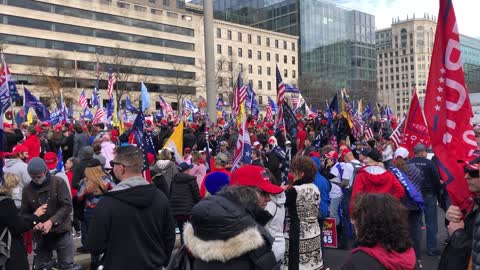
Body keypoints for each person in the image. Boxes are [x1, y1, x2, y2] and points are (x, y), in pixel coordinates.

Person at [86, 145, 176, 270]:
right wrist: (160, 261)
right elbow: (169, 237)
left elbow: (94, 245)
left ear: (121, 168)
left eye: (113, 163)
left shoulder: (107, 203)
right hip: (154, 265)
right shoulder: (160, 198)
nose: (112, 167)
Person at [183, 185, 279, 270]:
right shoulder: (253, 234)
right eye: (263, 193)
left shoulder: (199, 226)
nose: (268, 198)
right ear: (247, 191)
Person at [21, 158, 74, 270]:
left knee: (66, 265)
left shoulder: (58, 182)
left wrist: (51, 221)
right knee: (43, 266)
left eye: (39, 176)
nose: (36, 180)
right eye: (33, 177)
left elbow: (67, 206)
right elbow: (24, 213)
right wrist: (34, 223)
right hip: (41, 236)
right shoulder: (27, 189)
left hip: (61, 231)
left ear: (45, 171)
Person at [341, 193, 416, 270]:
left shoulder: (357, 262)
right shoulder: (408, 254)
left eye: (356, 218)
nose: (352, 222)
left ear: (366, 224)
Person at [229, 165, 285, 264]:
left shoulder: (254, 221)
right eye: (263, 193)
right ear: (244, 193)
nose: (268, 199)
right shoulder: (226, 226)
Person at [438, 156, 480, 270]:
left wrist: (457, 233)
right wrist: (450, 217)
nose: (466, 176)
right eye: (466, 171)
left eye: (473, 172)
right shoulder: (473, 201)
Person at [0, 173, 47, 270]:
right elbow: (17, 227)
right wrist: (35, 216)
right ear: (12, 186)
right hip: (11, 248)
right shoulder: (7, 203)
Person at [284, 156, 323, 270]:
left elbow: (282, 204)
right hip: (313, 232)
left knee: (296, 264)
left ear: (301, 173)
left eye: (294, 171)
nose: (292, 174)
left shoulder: (294, 190)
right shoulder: (315, 188)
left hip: (298, 234)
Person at [76, 161, 114, 267]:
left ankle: (94, 262)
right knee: (107, 234)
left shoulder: (84, 182)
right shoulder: (106, 179)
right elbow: (115, 191)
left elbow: (79, 197)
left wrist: (86, 192)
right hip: (105, 210)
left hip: (89, 212)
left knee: (93, 237)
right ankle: (107, 260)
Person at [409, 143, 442, 256]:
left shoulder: (409, 163)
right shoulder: (429, 163)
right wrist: (438, 193)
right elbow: (436, 179)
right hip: (428, 194)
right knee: (431, 223)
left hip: (414, 195)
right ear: (423, 152)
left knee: (416, 224)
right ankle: (431, 249)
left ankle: (414, 250)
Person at [169, 162, 200, 244]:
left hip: (176, 210)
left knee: (181, 230)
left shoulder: (174, 180)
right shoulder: (191, 180)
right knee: (190, 231)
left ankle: (182, 250)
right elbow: (196, 196)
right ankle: (188, 250)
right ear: (187, 170)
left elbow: (170, 194)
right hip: (188, 210)